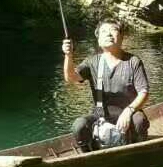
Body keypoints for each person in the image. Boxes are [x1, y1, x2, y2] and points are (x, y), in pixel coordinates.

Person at [62, 18, 149, 153]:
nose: (108, 34)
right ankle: (88, 155)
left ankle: (138, 151)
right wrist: (68, 55)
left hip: (128, 115)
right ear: (98, 40)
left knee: (140, 121)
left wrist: (129, 110)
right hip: (100, 116)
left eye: (113, 30)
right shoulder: (93, 62)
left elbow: (144, 92)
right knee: (79, 126)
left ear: (121, 37)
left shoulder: (133, 62)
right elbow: (70, 77)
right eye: (104, 31)